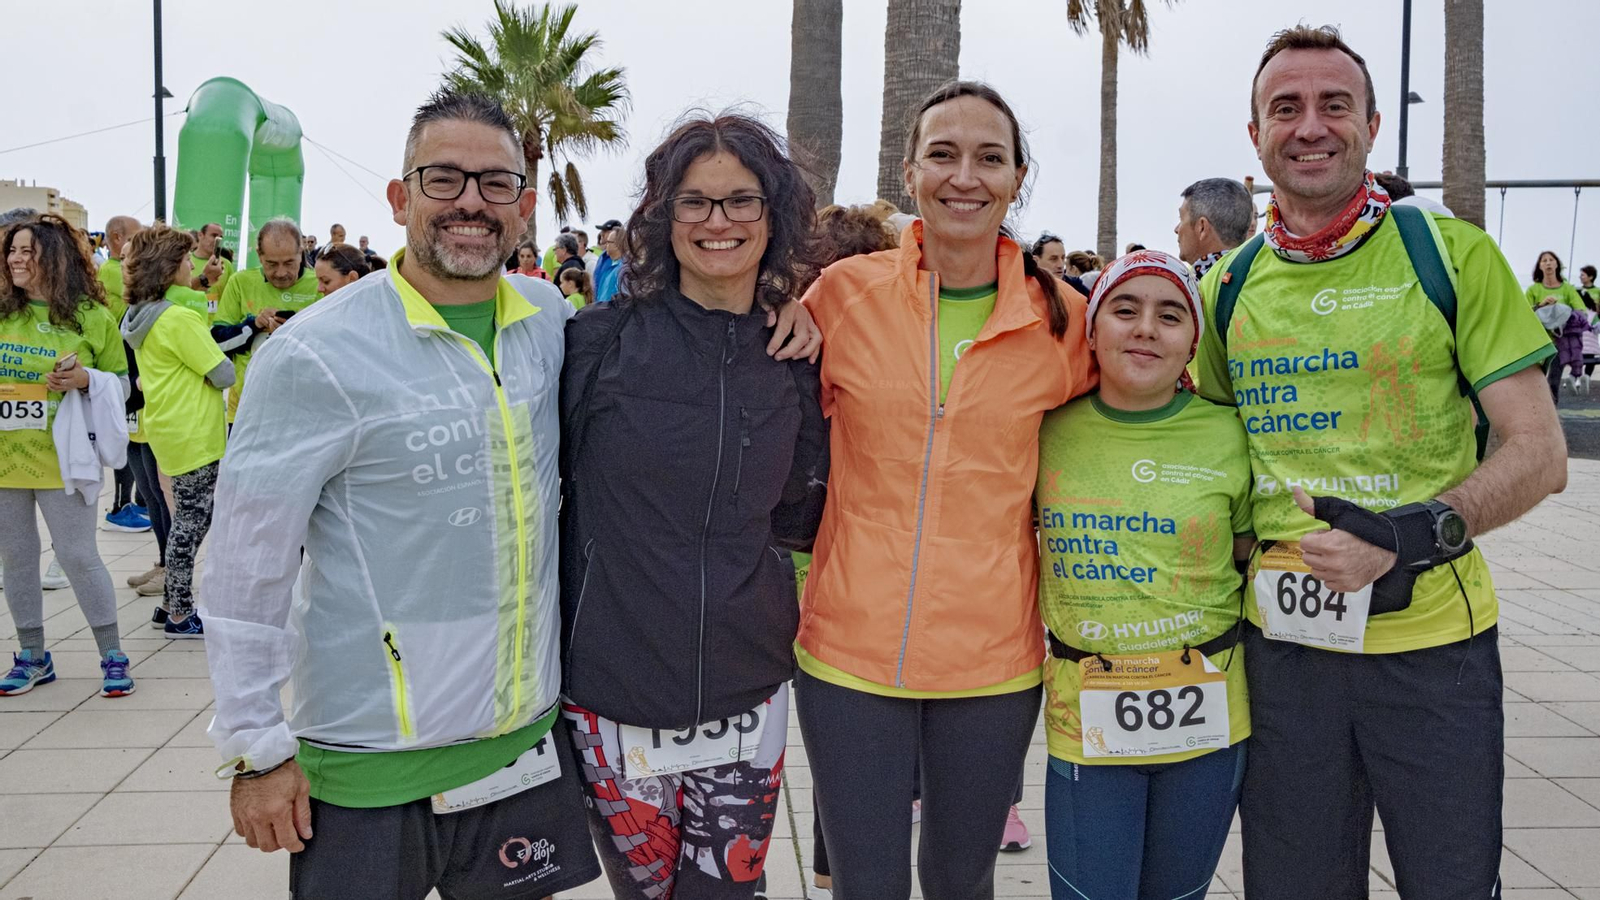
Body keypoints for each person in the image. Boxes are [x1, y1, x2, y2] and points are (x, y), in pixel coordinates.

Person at [200, 89, 605, 900]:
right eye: (443, 178)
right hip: (369, 765)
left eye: (495, 184)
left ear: (524, 208)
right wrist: (255, 744)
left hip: (519, 749)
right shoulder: (317, 355)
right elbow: (247, 567)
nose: (470, 203)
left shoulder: (549, 320)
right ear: (400, 198)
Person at [1194, 25, 1567, 900]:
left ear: (1368, 126)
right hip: (1284, 656)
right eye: (1285, 108)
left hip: (1434, 651)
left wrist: (1411, 534)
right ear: (1256, 137)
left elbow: (1541, 453)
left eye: (1335, 105)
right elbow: (1207, 461)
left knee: (1449, 883)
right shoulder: (1227, 287)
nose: (1311, 125)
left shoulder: (1449, 254)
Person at [794, 81, 1094, 900]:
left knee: (963, 882)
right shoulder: (842, 296)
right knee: (867, 883)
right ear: (911, 169)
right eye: (944, 154)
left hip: (991, 663)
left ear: (1017, 178)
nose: (966, 176)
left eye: (989, 158)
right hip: (849, 655)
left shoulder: (1063, 321)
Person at [559, 111, 828, 900]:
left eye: (741, 200)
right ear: (662, 216)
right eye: (695, 202)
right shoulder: (596, 342)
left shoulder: (795, 357)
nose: (719, 222)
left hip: (747, 693)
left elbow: (797, 515)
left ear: (772, 216)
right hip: (615, 691)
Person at [1038, 249, 1253, 899]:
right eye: (1124, 310)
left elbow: (1251, 553)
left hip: (1209, 723)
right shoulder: (1043, 428)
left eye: (1169, 316)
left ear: (1193, 342)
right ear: (1093, 329)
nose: (1146, 329)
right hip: (1087, 726)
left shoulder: (1231, 435)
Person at [0, 214, 135, 698]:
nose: (16, 258)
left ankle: (112, 655)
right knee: (15, 560)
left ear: (53, 259)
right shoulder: (2, 310)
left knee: (78, 555)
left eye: (26, 251)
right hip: (5, 460)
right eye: (12, 250)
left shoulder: (91, 317)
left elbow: (124, 385)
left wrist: (84, 381)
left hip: (63, 460)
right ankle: (33, 657)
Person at [121, 224, 235, 640]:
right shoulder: (180, 318)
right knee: (192, 521)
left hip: (165, 428)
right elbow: (221, 373)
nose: (194, 265)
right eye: (188, 260)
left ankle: (171, 600)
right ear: (169, 267)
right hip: (195, 432)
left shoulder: (138, 318)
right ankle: (180, 612)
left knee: (184, 517)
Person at [212, 218, 322, 424]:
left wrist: (294, 326)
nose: (281, 273)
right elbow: (217, 342)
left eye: (289, 263)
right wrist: (253, 325)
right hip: (247, 410)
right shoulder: (241, 282)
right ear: (259, 256)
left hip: (302, 411)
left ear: (302, 252)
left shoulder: (319, 283)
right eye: (271, 264)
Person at [97, 214, 152, 534]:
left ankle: (135, 502)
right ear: (117, 238)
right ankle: (120, 506)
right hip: (122, 365)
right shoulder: (112, 271)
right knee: (129, 438)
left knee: (133, 435)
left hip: (127, 364)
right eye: (137, 236)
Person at [1527, 250, 1587, 402]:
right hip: (1538, 342)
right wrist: (1541, 305)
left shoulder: (1567, 289)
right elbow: (1524, 314)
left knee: (1554, 380)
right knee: (1534, 380)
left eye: (1551, 260)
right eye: (1544, 260)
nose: (1548, 263)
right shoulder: (1533, 290)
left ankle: (1552, 411)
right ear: (1539, 266)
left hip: (1560, 343)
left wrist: (1562, 311)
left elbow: (1581, 312)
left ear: (1557, 265)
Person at [1175, 177, 1254, 277]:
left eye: (1181, 219)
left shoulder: (1196, 285)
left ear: (1202, 228)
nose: (1176, 229)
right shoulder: (1254, 272)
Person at [189, 222, 234, 315]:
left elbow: (231, 298)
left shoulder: (226, 264)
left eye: (220, 237)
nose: (217, 240)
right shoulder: (187, 262)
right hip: (191, 318)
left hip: (215, 324)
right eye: (213, 235)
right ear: (200, 235)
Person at [592, 218, 624, 302]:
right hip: (600, 306)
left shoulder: (624, 267)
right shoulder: (603, 257)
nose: (601, 234)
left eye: (605, 231)